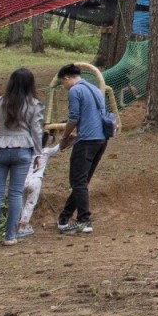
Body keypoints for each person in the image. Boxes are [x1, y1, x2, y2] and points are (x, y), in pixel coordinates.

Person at [0, 68, 43, 247]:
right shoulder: (34, 104)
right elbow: (37, 131)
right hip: (23, 150)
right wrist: (38, 153)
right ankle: (10, 236)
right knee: (15, 193)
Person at [56, 64, 109, 234]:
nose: (64, 87)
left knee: (78, 181)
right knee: (82, 181)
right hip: (101, 139)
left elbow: (73, 118)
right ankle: (64, 217)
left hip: (87, 140)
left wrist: (65, 137)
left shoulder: (75, 91)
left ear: (66, 78)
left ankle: (84, 221)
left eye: (62, 84)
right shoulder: (94, 88)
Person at [16, 133, 62, 237]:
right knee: (30, 204)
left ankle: (17, 225)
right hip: (36, 181)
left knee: (21, 203)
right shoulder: (46, 151)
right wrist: (65, 137)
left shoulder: (27, 151)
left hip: (23, 180)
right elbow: (59, 147)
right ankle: (23, 227)